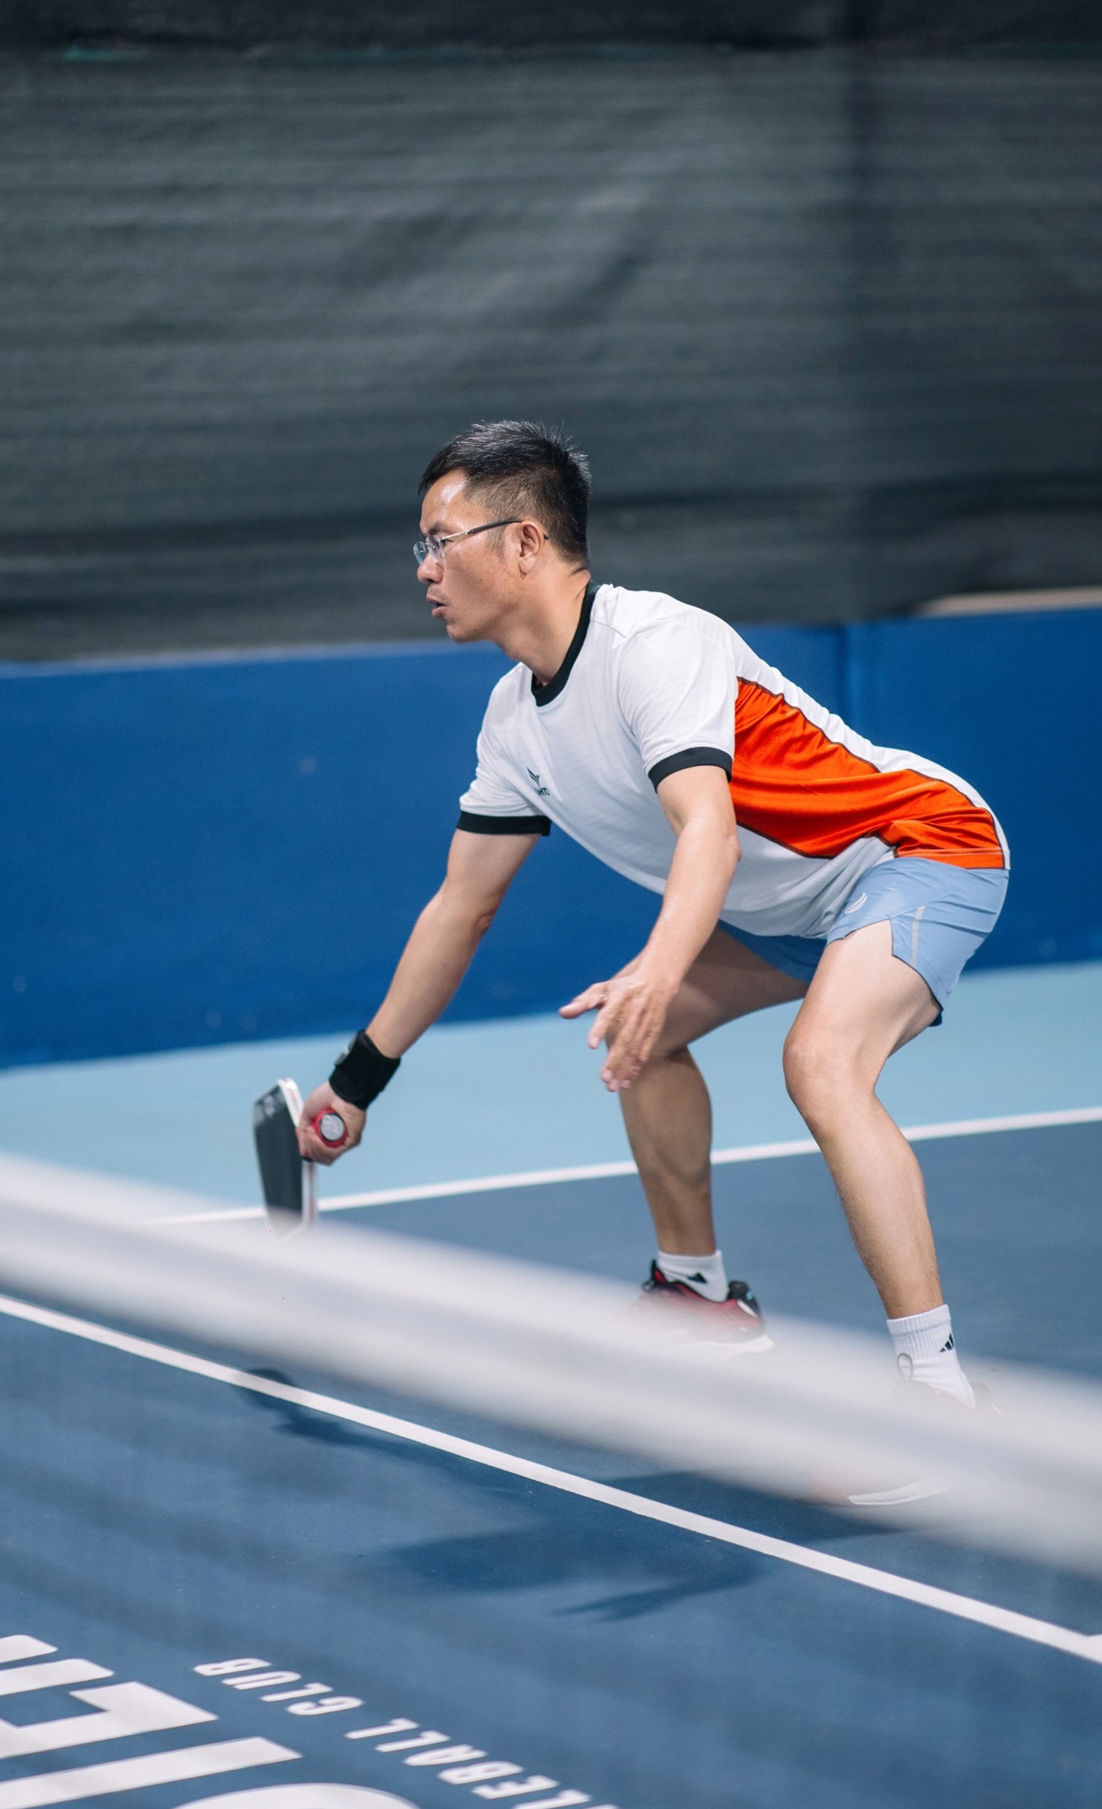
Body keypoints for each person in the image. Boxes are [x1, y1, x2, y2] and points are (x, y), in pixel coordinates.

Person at [299, 422, 1008, 1405]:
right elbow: (462, 908)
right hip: (792, 907)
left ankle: (936, 1392)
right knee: (644, 1033)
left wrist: (660, 967)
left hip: (914, 847)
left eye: (440, 540)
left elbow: (706, 831)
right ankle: (694, 1294)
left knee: (820, 1063)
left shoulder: (652, 645)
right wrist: (356, 1084)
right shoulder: (512, 723)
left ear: (524, 543)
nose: (423, 567)